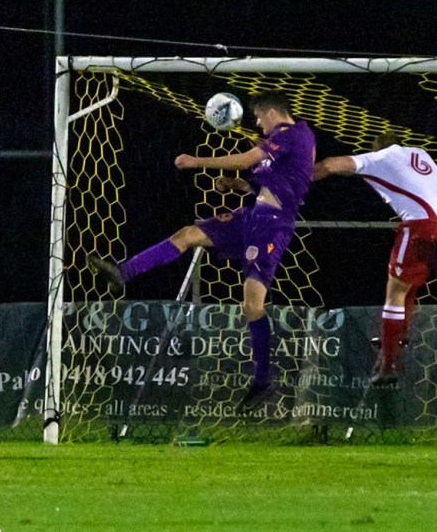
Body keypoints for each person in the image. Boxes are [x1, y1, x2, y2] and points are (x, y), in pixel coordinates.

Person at [89, 90, 316, 408]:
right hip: (251, 217)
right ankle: (123, 272)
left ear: (272, 112)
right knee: (187, 234)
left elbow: (251, 158)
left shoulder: (293, 134)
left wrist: (197, 162)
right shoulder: (290, 139)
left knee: (252, 305)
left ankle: (263, 381)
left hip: (272, 225)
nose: (259, 124)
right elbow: (273, 180)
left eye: (259, 118)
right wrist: (238, 185)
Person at [313, 132, 437, 384]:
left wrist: (294, 179)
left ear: (376, 148)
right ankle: (396, 341)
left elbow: (330, 165)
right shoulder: (420, 153)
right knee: (407, 288)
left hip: (420, 226)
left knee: (395, 291)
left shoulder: (381, 157)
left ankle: (387, 364)